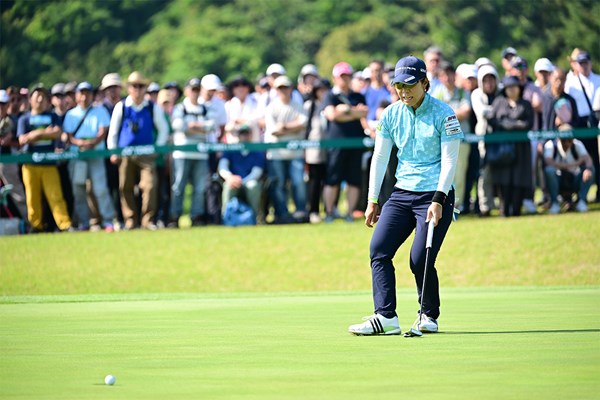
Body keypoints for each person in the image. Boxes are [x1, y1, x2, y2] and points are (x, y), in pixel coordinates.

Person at [348, 55, 463, 336]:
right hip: (401, 193)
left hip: (435, 195)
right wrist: (372, 199)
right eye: (399, 86)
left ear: (425, 83)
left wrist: (438, 199)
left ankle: (428, 315)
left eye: (410, 85)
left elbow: (450, 162)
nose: (404, 91)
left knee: (419, 259)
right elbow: (380, 156)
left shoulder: (444, 113)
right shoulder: (390, 114)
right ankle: (385, 316)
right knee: (379, 250)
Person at [106, 71, 170, 230]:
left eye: (141, 86)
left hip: (147, 154)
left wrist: (158, 148)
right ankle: (130, 220)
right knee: (125, 187)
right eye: (134, 86)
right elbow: (113, 132)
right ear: (128, 88)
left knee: (149, 186)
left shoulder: (151, 107)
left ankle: (147, 220)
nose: (137, 89)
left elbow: (163, 129)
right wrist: (113, 151)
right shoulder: (121, 107)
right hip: (126, 154)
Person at [16, 84, 72, 233]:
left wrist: (34, 134)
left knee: (56, 196)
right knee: (32, 198)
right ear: (31, 100)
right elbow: (22, 140)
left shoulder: (53, 116)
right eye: (37, 96)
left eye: (43, 96)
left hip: (49, 163)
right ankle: (36, 226)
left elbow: (57, 133)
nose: (40, 99)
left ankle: (64, 224)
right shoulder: (24, 119)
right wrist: (44, 132)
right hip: (30, 164)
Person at [62, 82, 115, 231]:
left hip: (96, 154)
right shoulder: (71, 114)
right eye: (82, 93)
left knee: (100, 189)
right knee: (79, 189)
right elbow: (68, 135)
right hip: (77, 155)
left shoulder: (100, 111)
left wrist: (92, 143)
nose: (85, 97)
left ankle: (107, 220)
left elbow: (103, 130)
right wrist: (79, 142)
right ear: (77, 95)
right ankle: (84, 222)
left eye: (88, 93)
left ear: (92, 95)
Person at [322, 61, 368, 223]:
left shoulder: (358, 96)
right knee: (332, 179)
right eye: (342, 76)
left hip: (356, 143)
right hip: (336, 144)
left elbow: (363, 113)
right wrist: (353, 112)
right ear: (335, 78)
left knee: (354, 180)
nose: (345, 79)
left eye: (348, 76)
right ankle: (329, 213)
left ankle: (349, 213)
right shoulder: (330, 95)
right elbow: (332, 115)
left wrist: (345, 110)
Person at [169, 77, 214, 228]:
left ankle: (196, 216)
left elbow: (211, 126)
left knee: (200, 188)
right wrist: (198, 127)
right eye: (192, 89)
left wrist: (192, 126)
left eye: (197, 89)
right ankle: (175, 216)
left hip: (201, 153)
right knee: (178, 186)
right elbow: (179, 126)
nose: (194, 93)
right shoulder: (180, 108)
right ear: (187, 91)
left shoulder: (205, 108)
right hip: (182, 154)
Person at [263, 75, 308, 223]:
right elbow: (272, 131)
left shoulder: (298, 105)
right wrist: (293, 128)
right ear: (276, 90)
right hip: (276, 153)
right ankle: (281, 214)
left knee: (298, 183)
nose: (283, 90)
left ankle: (301, 212)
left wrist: (284, 127)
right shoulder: (271, 108)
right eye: (280, 88)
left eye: (286, 87)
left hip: (295, 152)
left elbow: (303, 125)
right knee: (278, 185)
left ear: (291, 89)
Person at [488, 76, 534, 217]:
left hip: (521, 149)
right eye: (508, 87)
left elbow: (528, 124)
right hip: (503, 149)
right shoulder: (499, 102)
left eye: (514, 87)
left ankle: (516, 210)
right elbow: (492, 120)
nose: (512, 90)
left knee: (519, 179)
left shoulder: (525, 104)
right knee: (504, 179)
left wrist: (508, 123)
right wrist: (514, 124)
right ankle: (504, 209)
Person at [431, 61, 472, 214]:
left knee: (460, 173)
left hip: (462, 140)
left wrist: (446, 115)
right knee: (443, 173)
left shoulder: (463, 92)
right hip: (442, 141)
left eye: (449, 73)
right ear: (440, 77)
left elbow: (466, 112)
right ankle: (443, 203)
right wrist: (454, 114)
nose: (447, 77)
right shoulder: (437, 93)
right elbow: (435, 116)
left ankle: (457, 205)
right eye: (444, 74)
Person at [565, 48, 600, 202]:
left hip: (596, 122)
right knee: (582, 159)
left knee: (598, 160)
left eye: (586, 63)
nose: (584, 66)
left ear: (590, 63)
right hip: (580, 124)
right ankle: (579, 193)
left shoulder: (598, 80)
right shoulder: (571, 83)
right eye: (581, 63)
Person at [218, 125, 266, 220]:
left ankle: (254, 218)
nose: (245, 137)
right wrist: (230, 177)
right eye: (242, 134)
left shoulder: (256, 150)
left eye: (247, 134)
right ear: (238, 136)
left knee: (253, 186)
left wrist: (241, 181)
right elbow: (222, 166)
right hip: (232, 180)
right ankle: (226, 218)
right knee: (228, 186)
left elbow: (257, 172)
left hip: (248, 181)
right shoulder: (231, 149)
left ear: (251, 135)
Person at [543, 129, 595, 214]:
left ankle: (581, 201)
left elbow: (588, 159)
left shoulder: (577, 144)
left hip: (574, 179)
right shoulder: (551, 145)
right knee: (549, 170)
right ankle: (554, 203)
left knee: (590, 169)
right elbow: (548, 161)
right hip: (558, 180)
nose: (567, 143)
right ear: (558, 139)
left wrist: (587, 169)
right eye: (564, 140)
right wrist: (571, 164)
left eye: (569, 140)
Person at [472, 64, 500, 216]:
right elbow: (482, 111)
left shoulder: (501, 92)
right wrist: (498, 111)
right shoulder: (476, 94)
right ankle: (485, 206)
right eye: (486, 80)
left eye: (492, 79)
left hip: (501, 137)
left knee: (502, 171)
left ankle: (501, 203)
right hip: (483, 139)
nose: (489, 83)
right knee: (484, 173)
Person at [303, 79, 330, 223]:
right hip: (313, 147)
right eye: (320, 90)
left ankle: (329, 209)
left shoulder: (330, 105)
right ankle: (313, 210)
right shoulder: (310, 106)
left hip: (329, 147)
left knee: (329, 180)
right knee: (314, 180)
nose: (323, 93)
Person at [0, 89, 29, 224]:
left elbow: (20, 143)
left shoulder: (13, 121)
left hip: (8, 162)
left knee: (17, 195)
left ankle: (29, 224)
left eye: (3, 104)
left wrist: (8, 141)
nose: (1, 107)